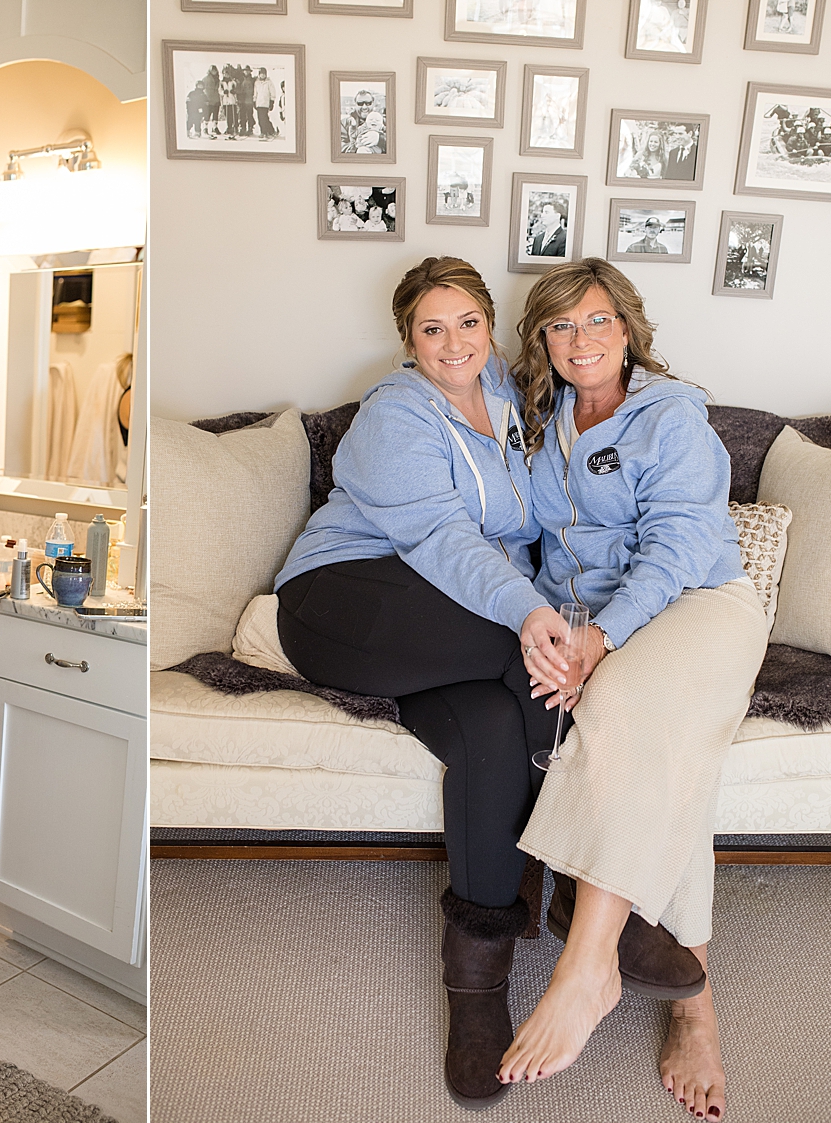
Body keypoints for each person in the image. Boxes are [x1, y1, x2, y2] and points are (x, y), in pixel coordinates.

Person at [273, 256, 577, 1108]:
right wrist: (534, 619)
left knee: (488, 731)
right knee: (537, 662)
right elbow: (445, 542)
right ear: (408, 339)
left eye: (468, 323)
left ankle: (477, 994)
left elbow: (531, 533)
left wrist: (553, 603)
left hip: (438, 633)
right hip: (345, 601)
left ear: (491, 325)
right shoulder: (395, 413)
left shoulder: (517, 403)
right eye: (432, 328)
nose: (453, 343)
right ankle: (592, 892)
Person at [499, 259, 766, 1123]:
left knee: (618, 705)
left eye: (598, 320)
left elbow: (681, 547)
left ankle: (586, 970)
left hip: (698, 608)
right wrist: (543, 624)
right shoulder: (536, 424)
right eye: (562, 326)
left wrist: (600, 639)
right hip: (592, 620)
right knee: (679, 751)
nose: (582, 340)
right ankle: (695, 1002)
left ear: (628, 328)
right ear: (542, 338)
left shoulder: (673, 414)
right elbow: (527, 544)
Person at [253, 67, 276, 139]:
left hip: (265, 103)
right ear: (259, 75)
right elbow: (255, 93)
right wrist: (254, 101)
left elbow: (273, 92)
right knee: (260, 118)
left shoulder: (269, 82)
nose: (262, 75)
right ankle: (264, 131)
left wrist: (272, 101)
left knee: (265, 118)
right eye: (261, 74)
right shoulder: (257, 83)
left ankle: (267, 131)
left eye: (263, 74)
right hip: (259, 103)